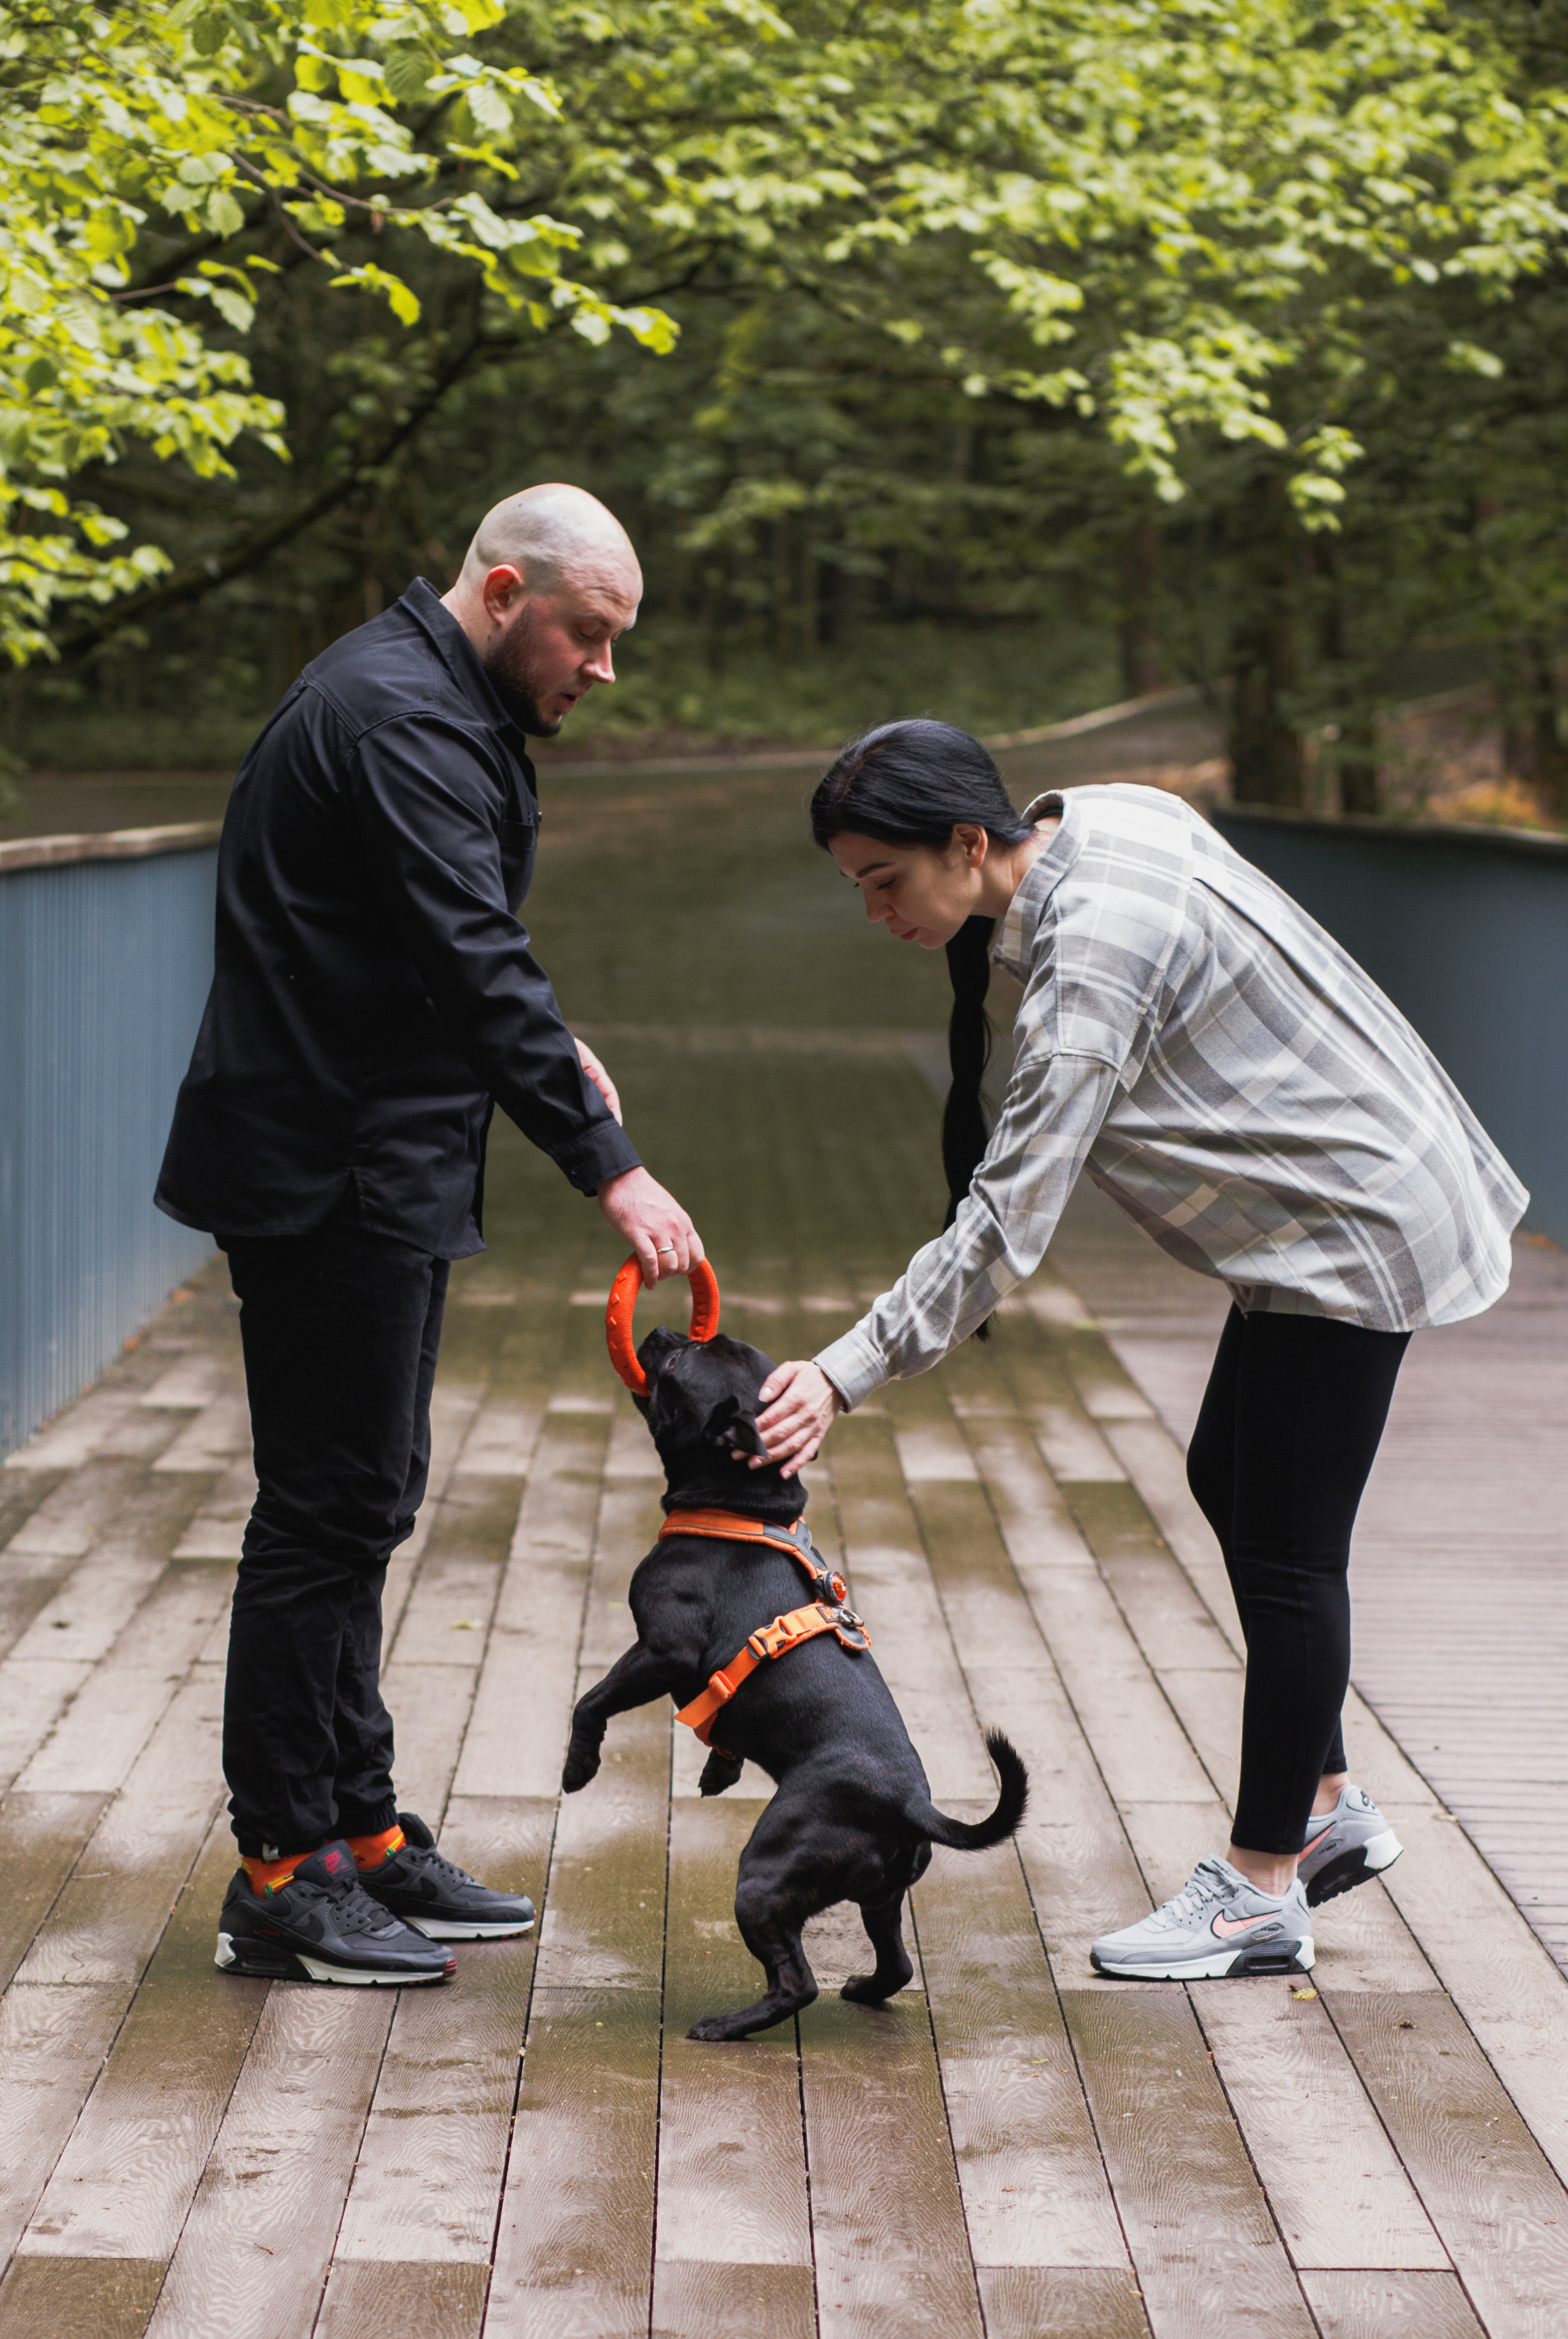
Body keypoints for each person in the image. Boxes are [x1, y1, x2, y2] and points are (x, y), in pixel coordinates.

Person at [752, 719, 1525, 1981]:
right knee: (1228, 1477)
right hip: (1329, 1199)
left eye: (882, 881)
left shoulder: (1087, 963)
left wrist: (842, 1371)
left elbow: (1008, 1222)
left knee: (1285, 1550)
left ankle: (1262, 1889)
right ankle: (1326, 1805)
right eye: (856, 887)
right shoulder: (1093, 815)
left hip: (1352, 1225)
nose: (873, 910)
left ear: (965, 843)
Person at [157, 484, 703, 1987]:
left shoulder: (422, 699)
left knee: (370, 1501)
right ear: (506, 589)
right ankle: (281, 1870)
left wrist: (550, 1037)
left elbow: (433, 934)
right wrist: (612, 1170)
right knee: (323, 1515)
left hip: (370, 1159)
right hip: (326, 1169)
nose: (602, 669)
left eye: (614, 641)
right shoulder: (397, 716)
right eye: (587, 636)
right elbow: (469, 954)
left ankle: (360, 1833)